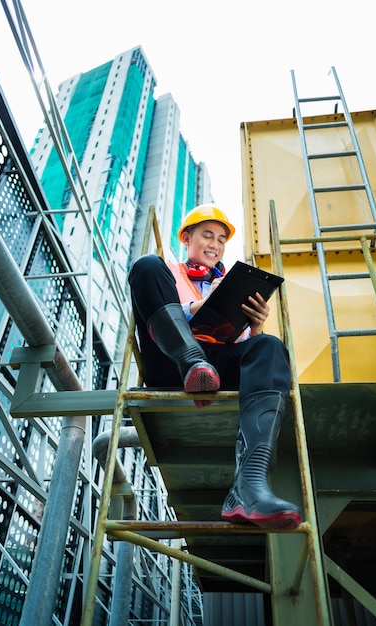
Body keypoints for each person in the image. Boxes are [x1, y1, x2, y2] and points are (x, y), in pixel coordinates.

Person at [128, 203, 302, 530]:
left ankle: (249, 486)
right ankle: (192, 363)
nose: (215, 244)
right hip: (172, 361)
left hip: (218, 365)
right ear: (186, 238)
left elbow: (246, 346)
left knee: (270, 346)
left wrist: (257, 325)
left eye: (221, 239)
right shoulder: (168, 272)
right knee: (145, 265)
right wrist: (199, 306)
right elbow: (152, 306)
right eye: (207, 235)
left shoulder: (232, 283)